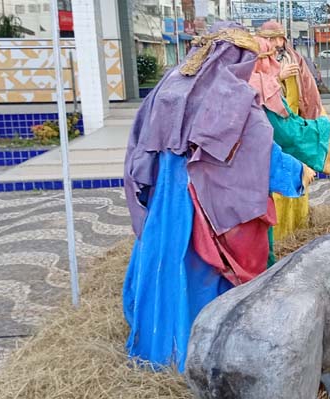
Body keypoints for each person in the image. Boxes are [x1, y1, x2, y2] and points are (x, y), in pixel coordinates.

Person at [122, 22, 314, 371]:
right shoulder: (231, 95)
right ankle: (201, 356)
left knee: (163, 266)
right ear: (236, 56)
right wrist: (296, 172)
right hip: (201, 205)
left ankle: (158, 349)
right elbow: (257, 147)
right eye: (249, 60)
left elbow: (140, 145)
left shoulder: (169, 85)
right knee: (202, 274)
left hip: (166, 202)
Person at [249, 20, 330, 243]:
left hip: (290, 127)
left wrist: (319, 120)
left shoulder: (295, 60)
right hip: (275, 143)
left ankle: (292, 233)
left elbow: (309, 97)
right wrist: (327, 127)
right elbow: (284, 131)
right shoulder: (254, 83)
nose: (275, 44)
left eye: (278, 39)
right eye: (270, 40)